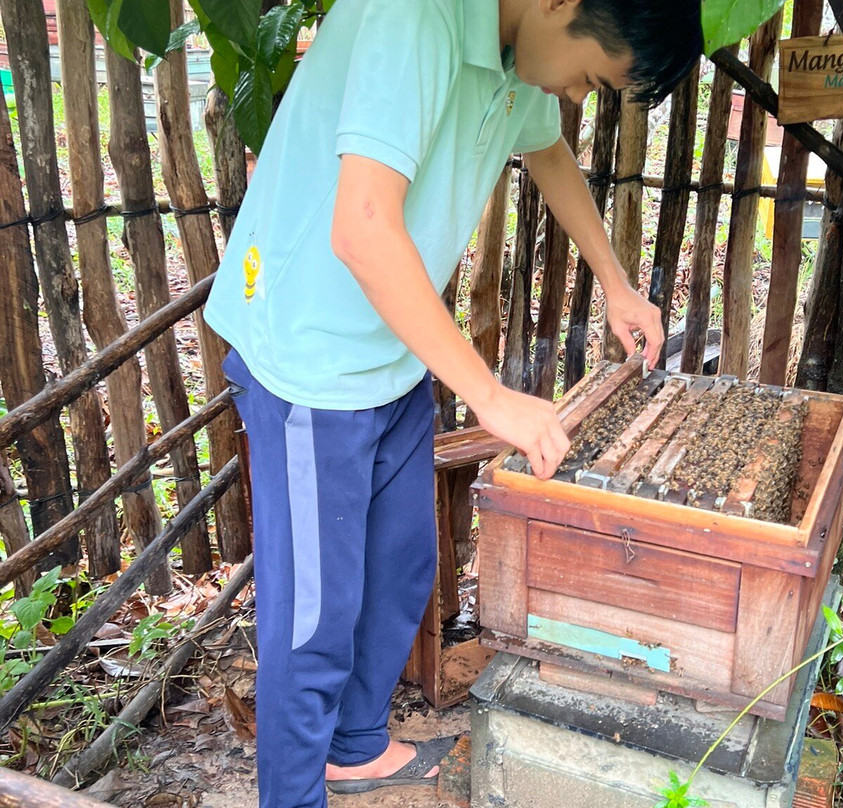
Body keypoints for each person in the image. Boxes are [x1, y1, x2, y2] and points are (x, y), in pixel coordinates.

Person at [203, 0, 703, 805]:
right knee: (313, 624)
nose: (577, 97)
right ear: (560, 4)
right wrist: (492, 396)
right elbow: (362, 228)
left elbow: (547, 152)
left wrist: (615, 282)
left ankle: (353, 746)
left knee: (402, 567)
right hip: (311, 355)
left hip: (393, 349)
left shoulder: (517, 42)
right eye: (588, 78)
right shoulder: (416, 18)